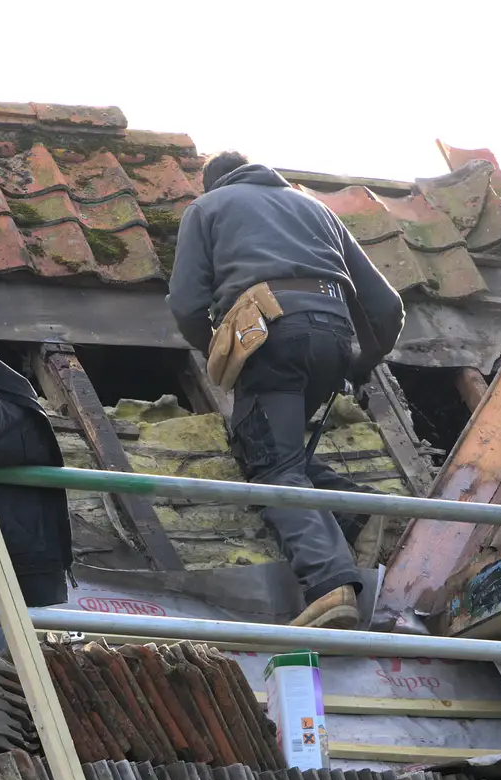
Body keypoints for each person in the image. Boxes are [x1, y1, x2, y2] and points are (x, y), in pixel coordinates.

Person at [167, 151, 405, 629]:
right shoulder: (319, 211)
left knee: (271, 465)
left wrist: (220, 352)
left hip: (268, 336)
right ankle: (353, 512)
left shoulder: (207, 209)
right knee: (271, 447)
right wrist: (360, 365)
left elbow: (188, 305)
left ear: (211, 183)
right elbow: (387, 308)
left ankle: (330, 584)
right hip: (334, 339)